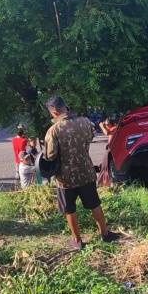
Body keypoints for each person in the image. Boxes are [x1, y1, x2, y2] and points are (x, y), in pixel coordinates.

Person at [43, 96, 120, 249]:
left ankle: (77, 241)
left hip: (65, 179)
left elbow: (50, 155)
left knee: (69, 209)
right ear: (66, 107)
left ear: (55, 112)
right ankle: (105, 234)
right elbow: (90, 137)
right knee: (94, 204)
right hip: (86, 172)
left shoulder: (54, 130)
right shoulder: (85, 122)